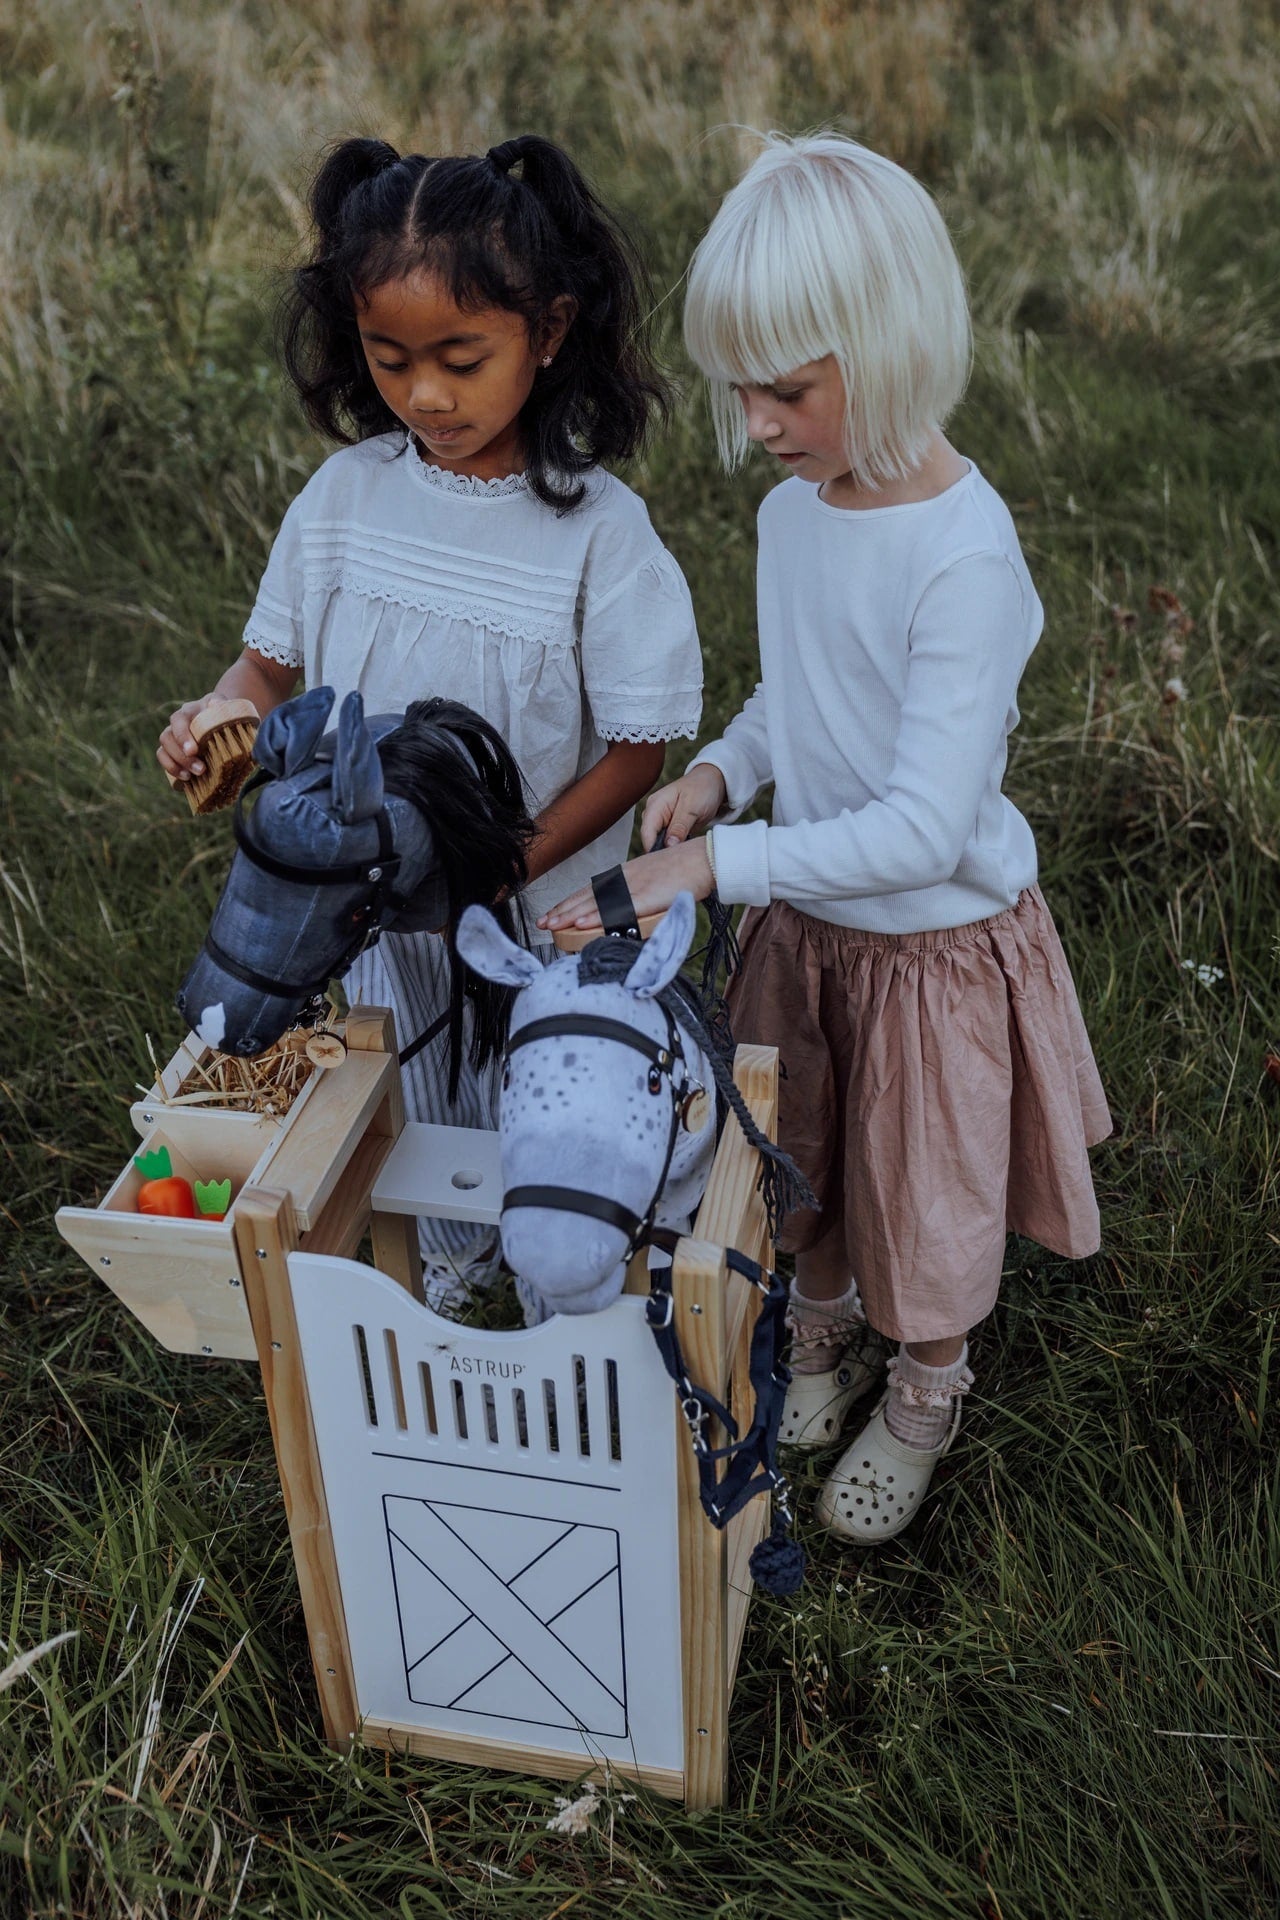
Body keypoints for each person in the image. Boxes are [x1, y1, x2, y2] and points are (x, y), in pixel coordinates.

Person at [541, 132, 1111, 1541]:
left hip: (929, 948)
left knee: (922, 1186)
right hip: (815, 928)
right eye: (744, 388)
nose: (760, 422)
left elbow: (923, 830)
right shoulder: (798, 515)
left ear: (891, 347)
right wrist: (725, 775)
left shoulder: (965, 559)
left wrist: (706, 866)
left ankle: (928, 1382)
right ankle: (823, 1319)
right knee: (805, 1157)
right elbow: (795, 699)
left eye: (787, 390)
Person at [158, 134, 702, 1301]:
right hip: (373, 909)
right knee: (406, 1074)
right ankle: (440, 1269)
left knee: (541, 1082)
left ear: (548, 334)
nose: (424, 395)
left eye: (462, 357)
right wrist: (221, 714)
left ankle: (568, 1262)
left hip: (538, 896)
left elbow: (636, 749)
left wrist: (504, 865)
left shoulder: (597, 537)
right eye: (389, 357)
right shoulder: (347, 500)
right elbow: (266, 664)